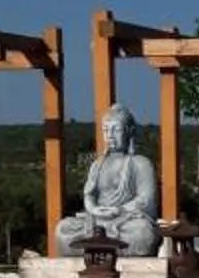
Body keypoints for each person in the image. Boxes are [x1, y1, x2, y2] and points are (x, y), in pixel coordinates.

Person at [56, 104, 162, 257]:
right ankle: (104, 245)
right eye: (106, 130)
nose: (110, 135)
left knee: (143, 233)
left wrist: (119, 210)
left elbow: (147, 200)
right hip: (96, 220)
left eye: (116, 130)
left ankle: (96, 246)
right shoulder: (97, 164)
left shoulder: (141, 163)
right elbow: (89, 195)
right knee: (63, 229)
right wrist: (93, 209)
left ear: (129, 131)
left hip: (126, 219)